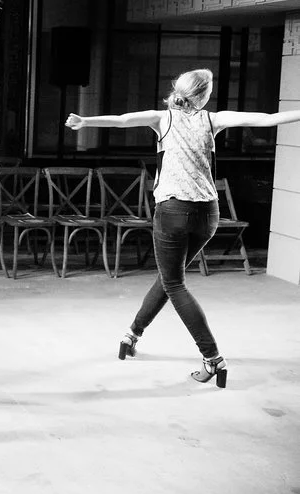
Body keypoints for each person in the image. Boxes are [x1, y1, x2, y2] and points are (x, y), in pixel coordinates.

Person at [65, 68, 300, 389]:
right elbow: (269, 118)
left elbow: (121, 120)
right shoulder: (213, 119)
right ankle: (132, 334)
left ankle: (212, 358)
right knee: (169, 277)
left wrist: (85, 122)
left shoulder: (161, 118)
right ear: (204, 95)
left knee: (174, 283)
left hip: (174, 211)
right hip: (208, 214)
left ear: (178, 90)